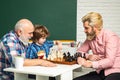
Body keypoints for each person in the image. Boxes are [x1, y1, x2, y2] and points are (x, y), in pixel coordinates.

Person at [73, 12, 120, 80]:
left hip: (115, 71)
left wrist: (90, 64)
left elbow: (110, 61)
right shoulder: (90, 38)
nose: (84, 31)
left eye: (86, 28)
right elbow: (79, 52)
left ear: (94, 27)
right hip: (100, 72)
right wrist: (88, 56)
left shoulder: (111, 37)